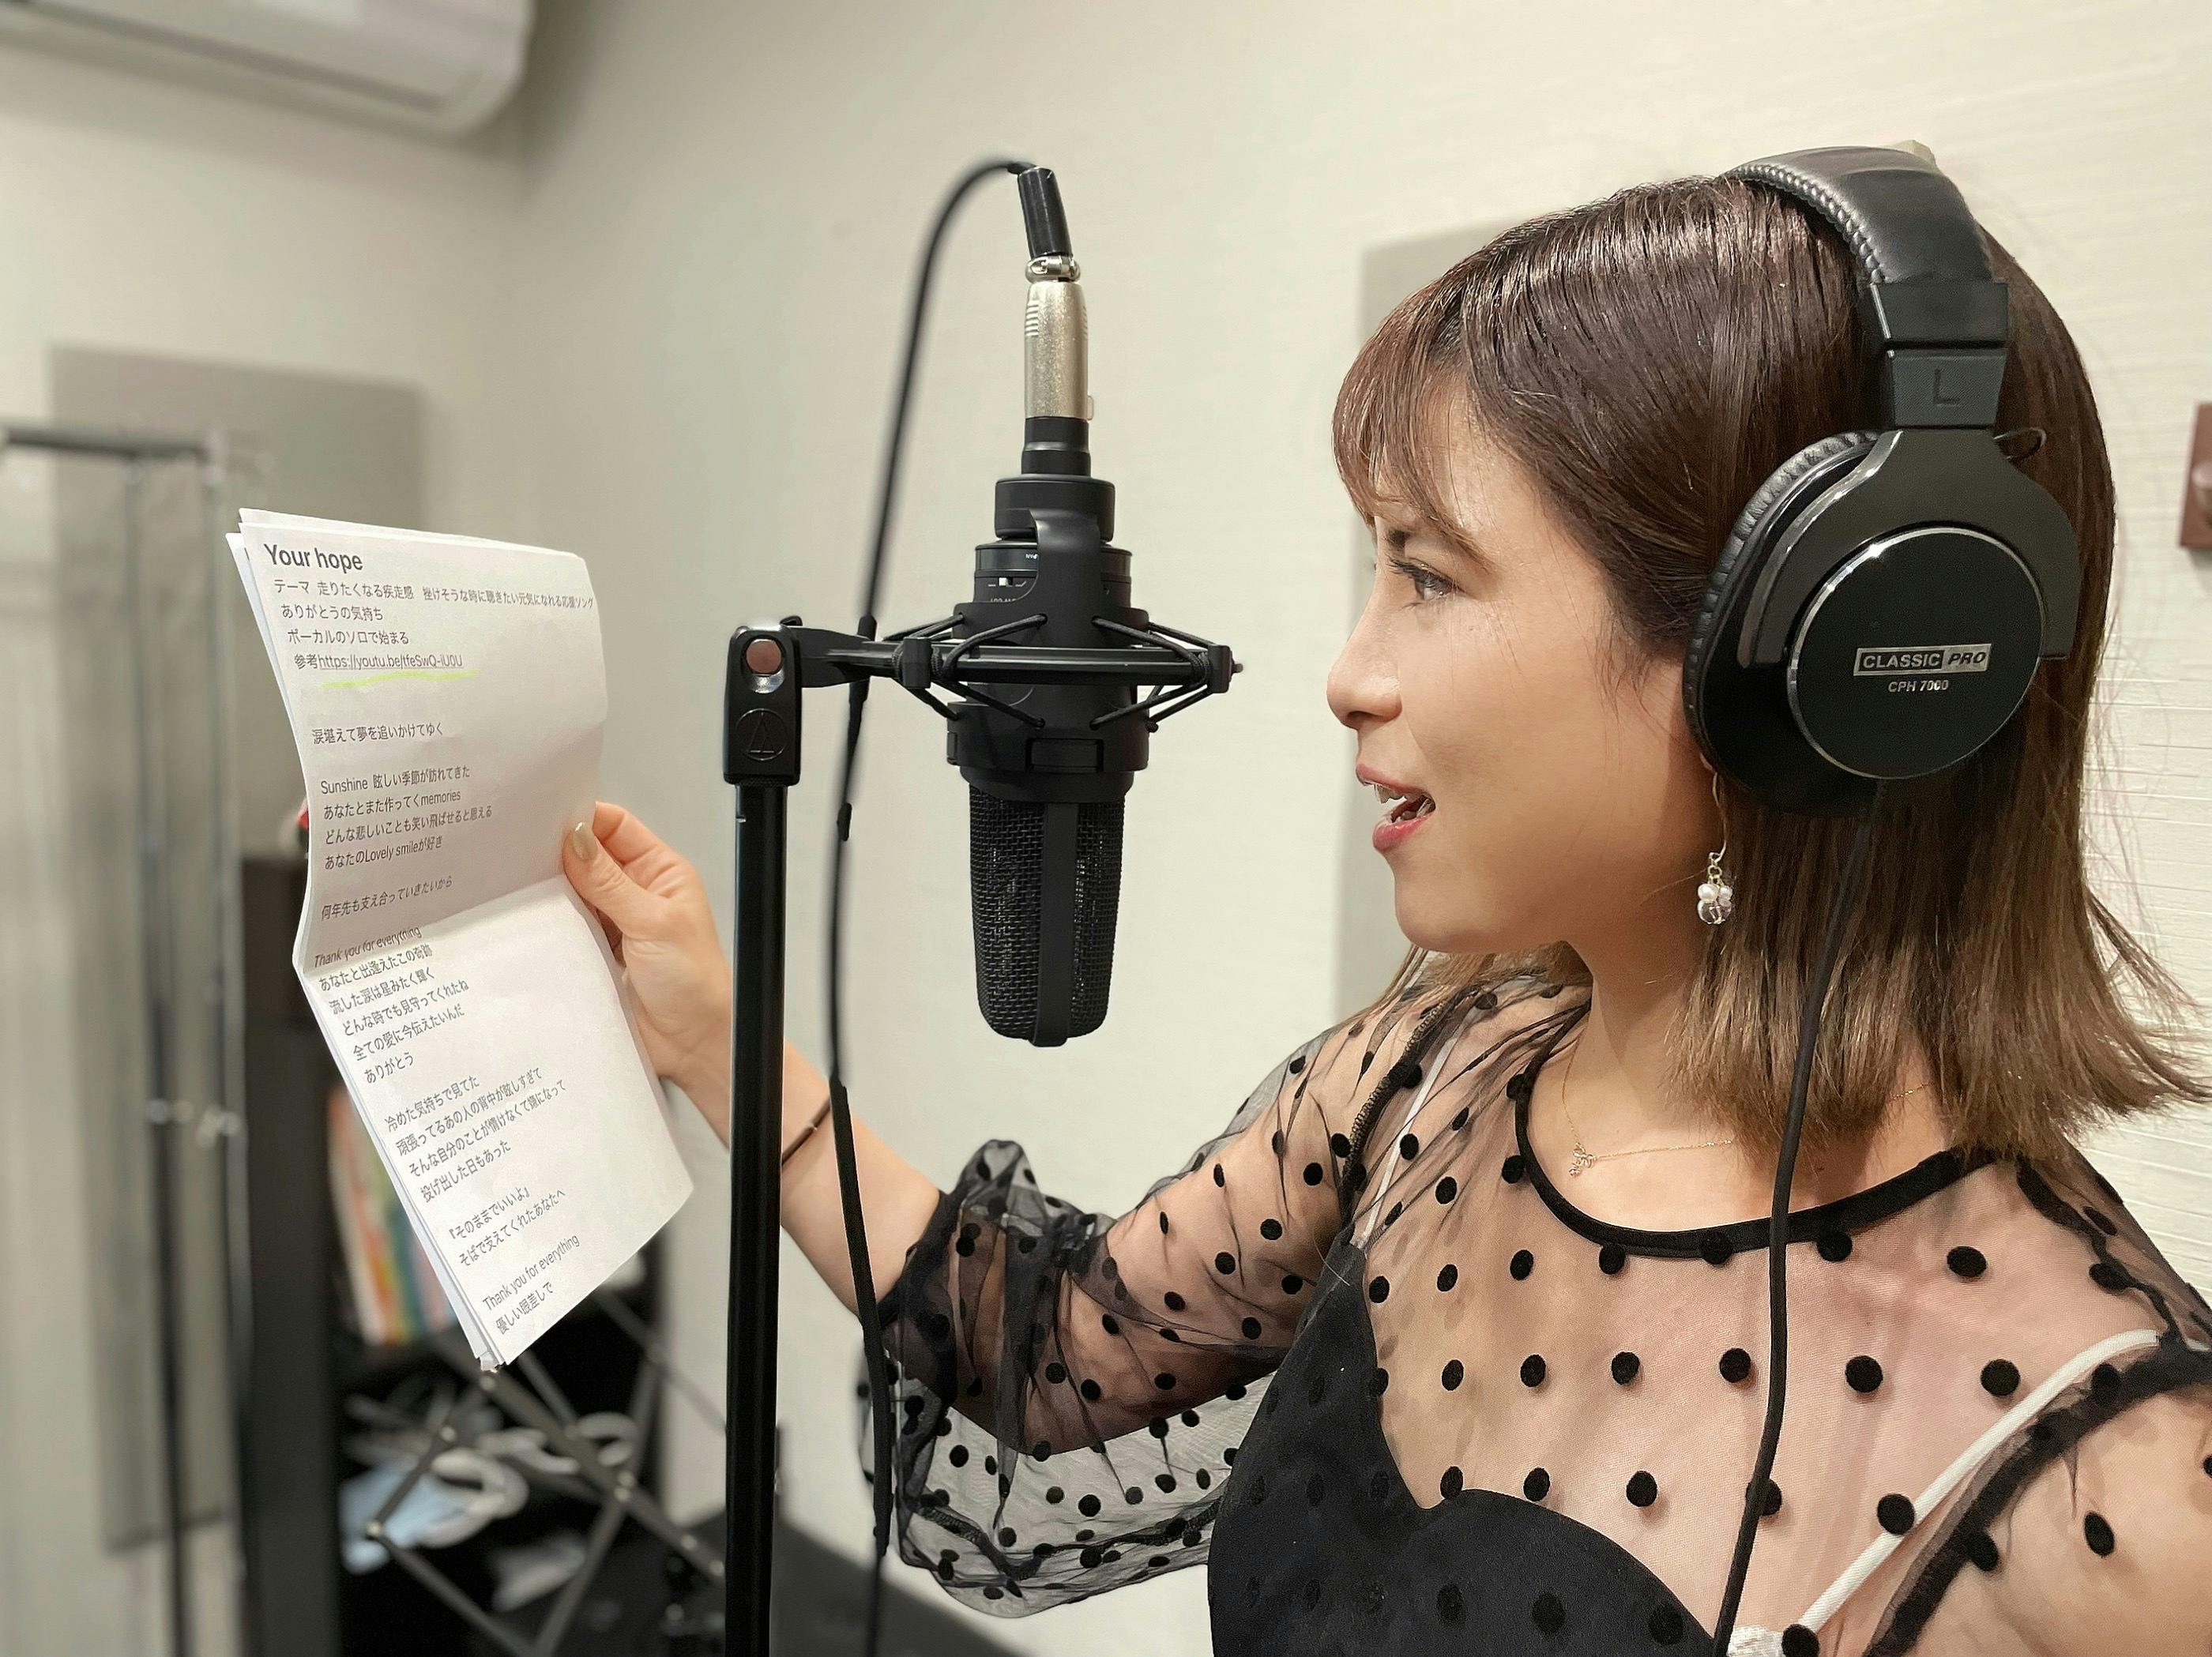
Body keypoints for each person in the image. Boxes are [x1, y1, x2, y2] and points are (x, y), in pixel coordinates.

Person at [561, 169, 2212, 1655]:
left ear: (1790, 647)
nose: (1349, 673)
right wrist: (717, 1034)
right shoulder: (1433, 1071)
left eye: (1425, 571)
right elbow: (1053, 1345)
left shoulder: (2119, 1497)